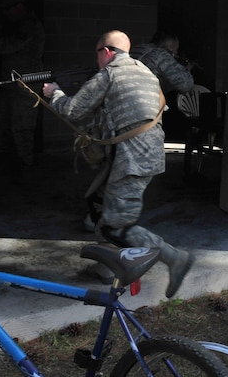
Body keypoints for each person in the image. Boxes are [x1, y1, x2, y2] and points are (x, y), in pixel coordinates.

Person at [42, 30, 194, 298]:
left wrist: (54, 93)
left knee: (116, 225)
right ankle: (107, 268)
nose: (98, 60)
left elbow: (72, 110)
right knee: (101, 207)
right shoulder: (145, 71)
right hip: (142, 155)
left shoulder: (109, 73)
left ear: (107, 52)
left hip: (132, 160)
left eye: (98, 54)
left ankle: (174, 258)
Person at [0, 0, 45, 178]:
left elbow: (7, 46)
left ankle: (25, 168)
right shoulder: (15, 24)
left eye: (7, 10)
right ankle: (8, 165)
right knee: (2, 126)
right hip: (10, 84)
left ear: (18, 7)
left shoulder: (29, 25)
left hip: (25, 86)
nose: (5, 14)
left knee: (21, 129)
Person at [130, 31, 194, 94]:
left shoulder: (136, 50)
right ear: (170, 47)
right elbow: (186, 85)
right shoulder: (161, 55)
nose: (176, 52)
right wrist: (186, 70)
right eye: (176, 49)